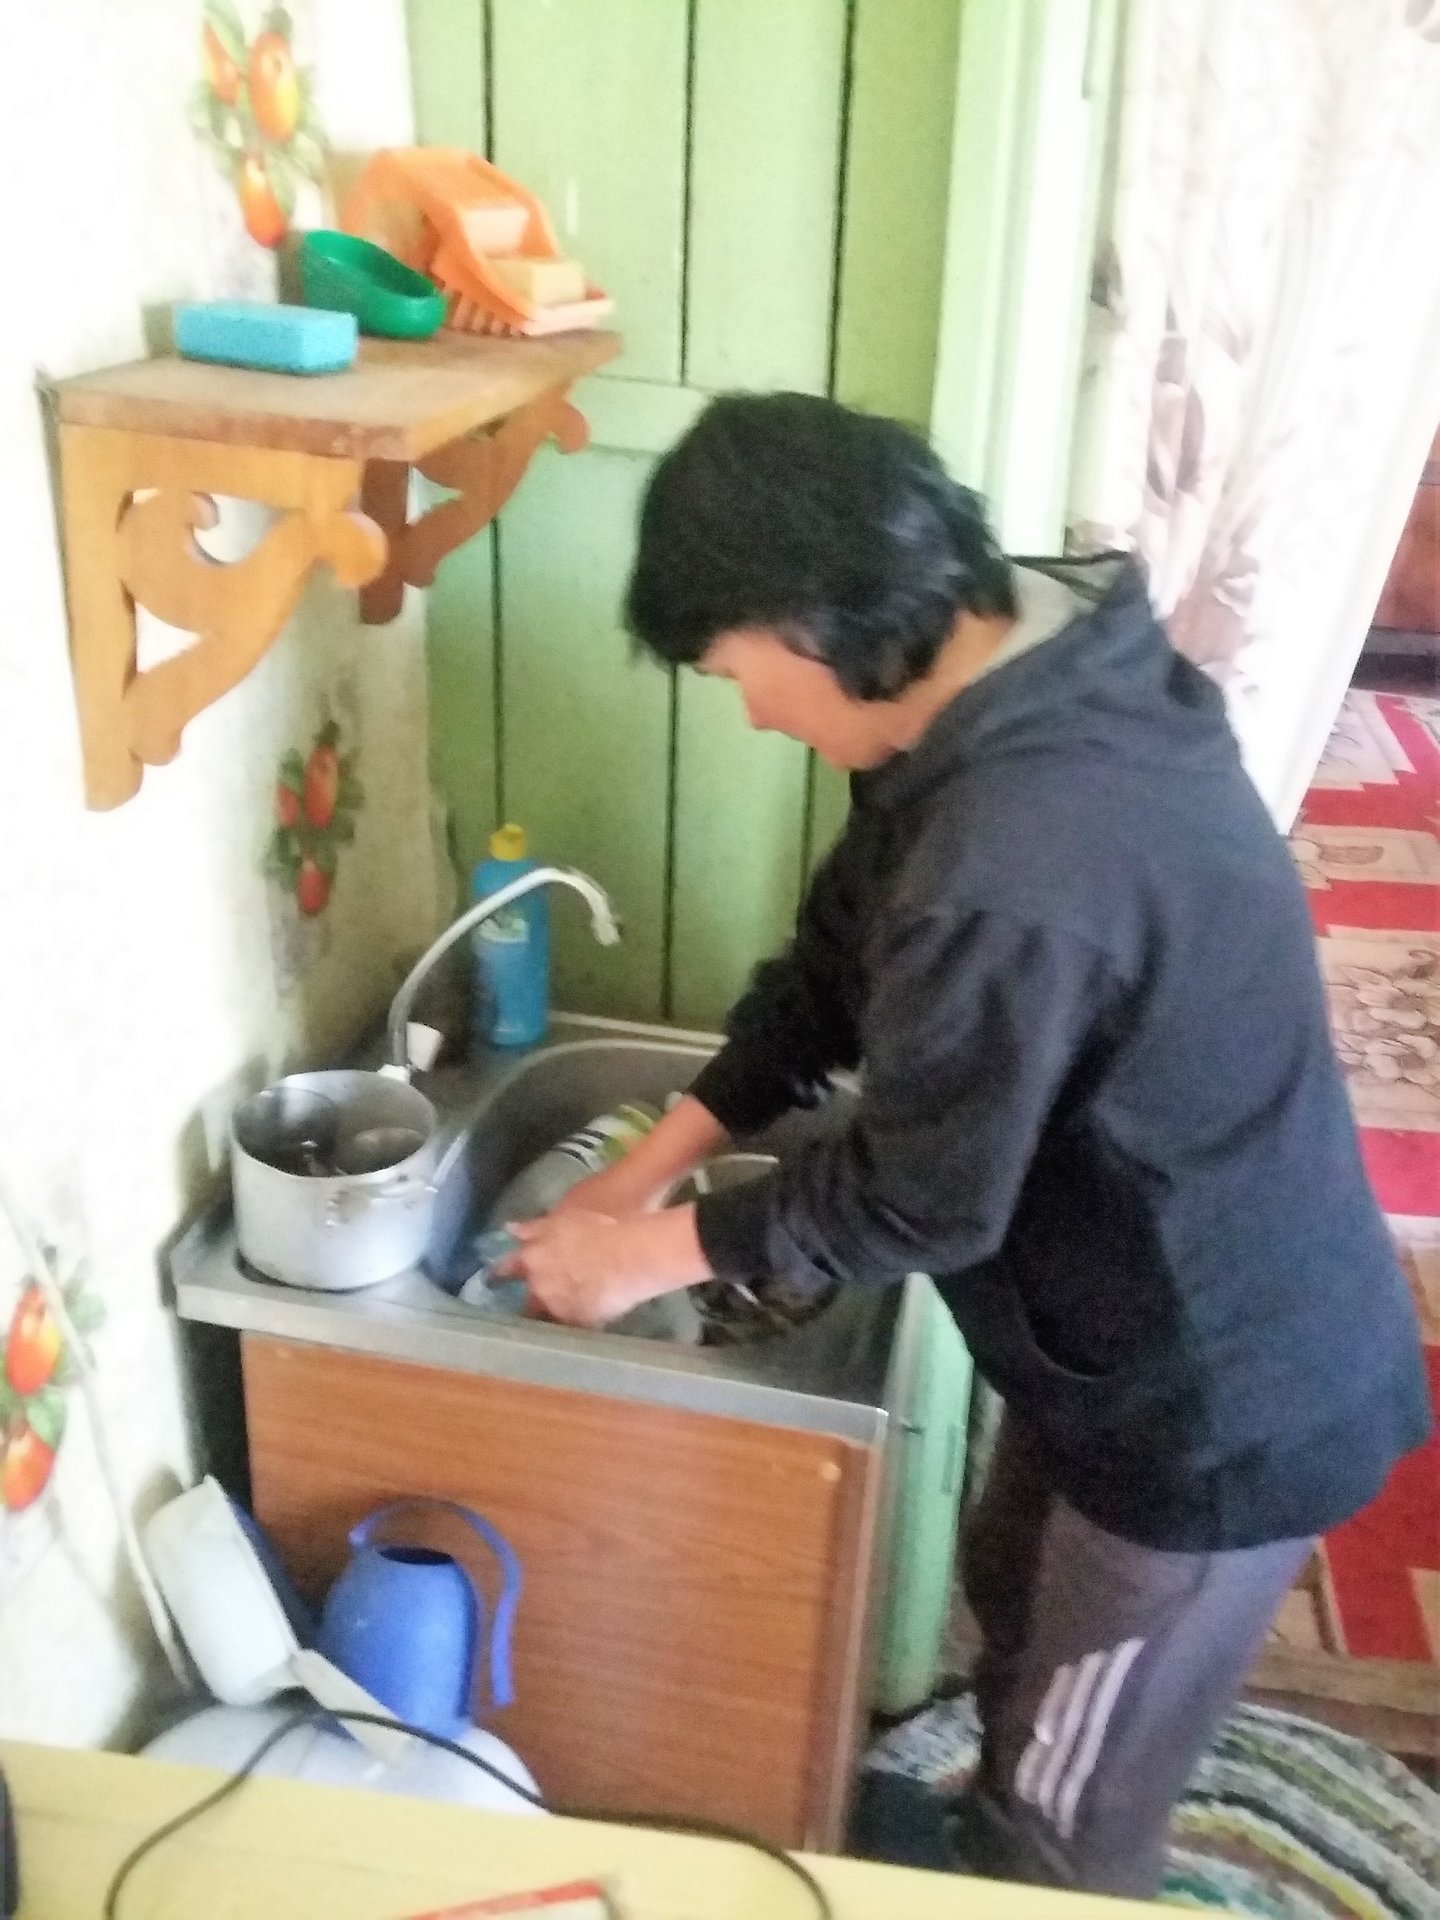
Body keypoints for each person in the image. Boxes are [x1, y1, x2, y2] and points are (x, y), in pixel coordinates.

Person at [494, 393, 1431, 1895]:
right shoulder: (1013, 665)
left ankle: (1037, 1870)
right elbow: (833, 969)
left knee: (1068, 1807)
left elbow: (924, 1199)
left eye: (736, 676)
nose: (752, 716)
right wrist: (647, 1166)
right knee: (1017, 1604)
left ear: (811, 629)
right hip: (1117, 1323)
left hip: (1218, 1400)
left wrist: (647, 1258)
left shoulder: (1018, 856)